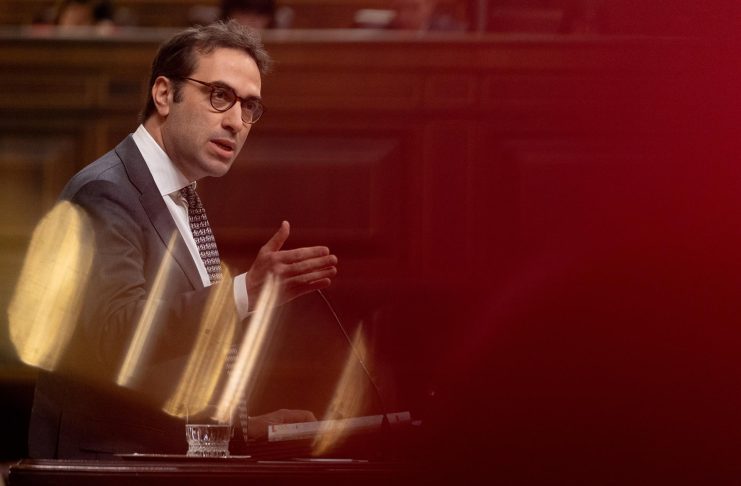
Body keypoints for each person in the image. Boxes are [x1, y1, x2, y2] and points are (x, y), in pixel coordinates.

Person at [22, 20, 338, 459]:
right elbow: (116, 335)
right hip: (105, 469)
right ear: (164, 94)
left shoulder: (179, 194)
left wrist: (242, 431)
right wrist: (244, 292)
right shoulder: (105, 191)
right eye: (220, 95)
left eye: (249, 106)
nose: (236, 122)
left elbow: (166, 367)